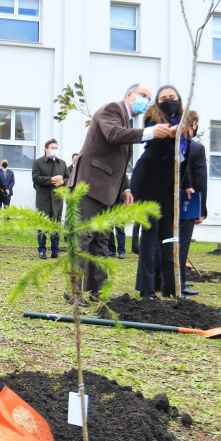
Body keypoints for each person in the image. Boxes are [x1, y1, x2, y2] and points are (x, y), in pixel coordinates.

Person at [71, 83, 172, 299]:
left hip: (107, 189)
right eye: (143, 95)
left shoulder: (127, 121)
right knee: (83, 238)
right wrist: (150, 132)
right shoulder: (112, 110)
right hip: (88, 184)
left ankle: (98, 290)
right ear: (129, 95)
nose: (146, 100)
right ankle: (74, 290)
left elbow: (118, 161)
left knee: (100, 241)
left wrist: (125, 188)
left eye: (149, 97)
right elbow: (113, 134)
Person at [131, 85, 191, 300]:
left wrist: (187, 184)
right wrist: (171, 136)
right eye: (163, 97)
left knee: (169, 236)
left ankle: (171, 287)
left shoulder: (183, 122)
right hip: (148, 182)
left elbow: (183, 158)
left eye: (171, 97)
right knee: (150, 234)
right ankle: (146, 289)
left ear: (179, 99)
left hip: (169, 186)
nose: (168, 100)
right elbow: (159, 148)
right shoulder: (153, 118)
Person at [177, 111, 207, 296]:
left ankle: (165, 280)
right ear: (193, 124)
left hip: (167, 199)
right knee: (182, 242)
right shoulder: (196, 149)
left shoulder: (171, 145)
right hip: (188, 200)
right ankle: (179, 282)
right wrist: (201, 209)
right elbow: (200, 179)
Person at [32, 139, 69, 260]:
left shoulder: (62, 164)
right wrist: (51, 180)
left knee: (56, 225)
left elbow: (70, 178)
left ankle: (55, 250)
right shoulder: (38, 163)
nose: (54, 150)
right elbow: (36, 178)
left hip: (57, 200)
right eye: (52, 148)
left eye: (56, 148)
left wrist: (63, 181)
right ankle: (42, 250)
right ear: (46, 149)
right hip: (43, 200)